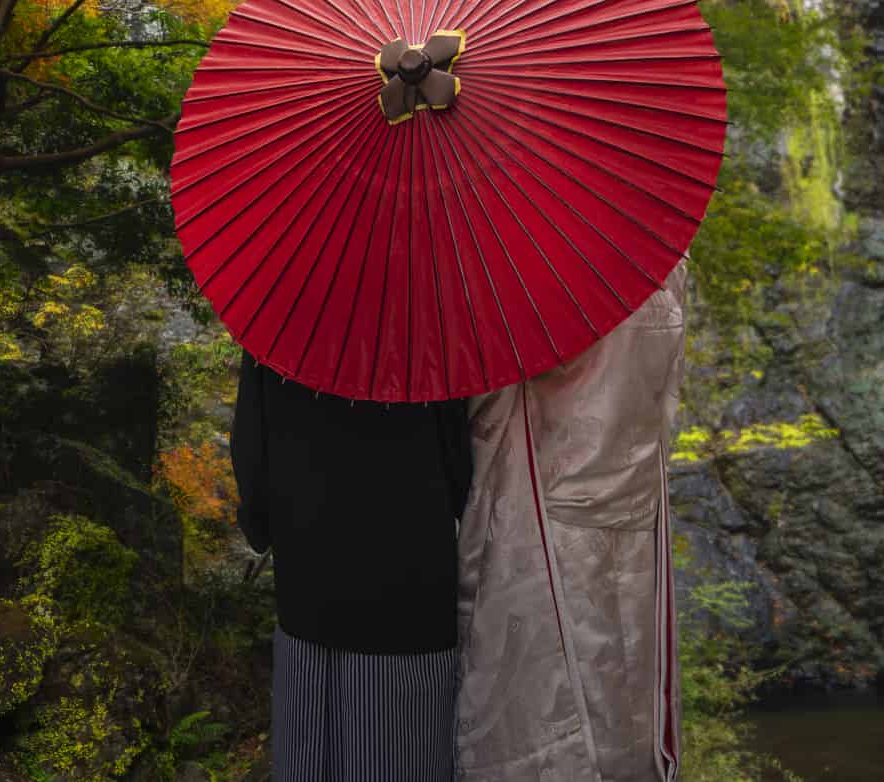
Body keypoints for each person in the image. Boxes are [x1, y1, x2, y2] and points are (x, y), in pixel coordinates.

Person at [455, 260, 690, 782]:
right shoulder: (666, 261)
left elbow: (482, 395)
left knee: (544, 703)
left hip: (539, 498)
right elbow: (667, 392)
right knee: (627, 692)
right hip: (633, 498)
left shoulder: (523, 263)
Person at [231, 350, 471, 781]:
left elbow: (250, 447)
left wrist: (262, 525)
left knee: (310, 749)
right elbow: (460, 469)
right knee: (402, 753)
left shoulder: (281, 318)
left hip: (309, 570)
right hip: (406, 578)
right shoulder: (431, 325)